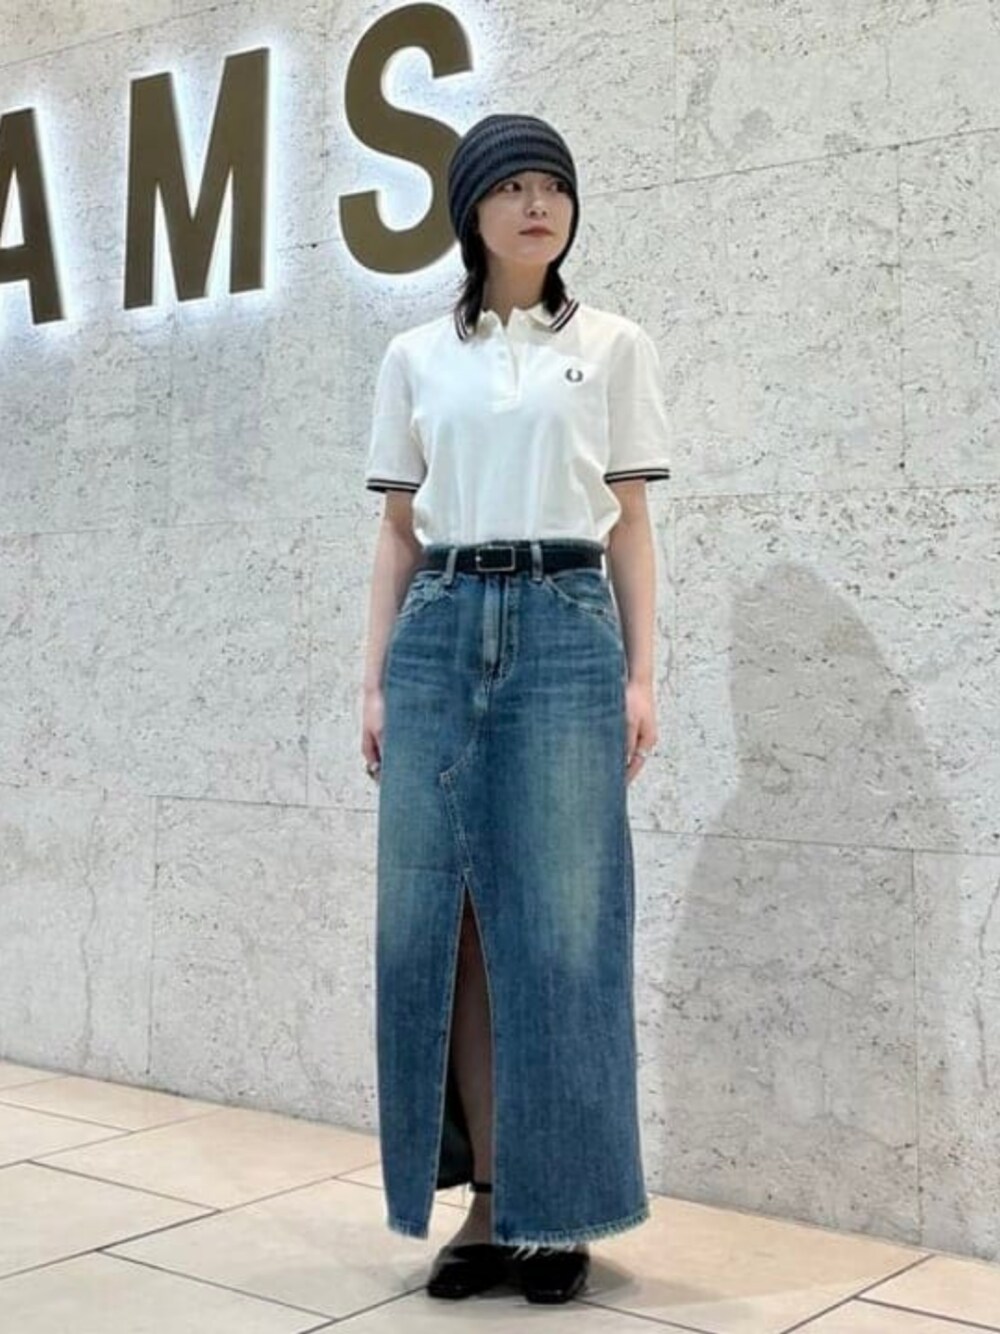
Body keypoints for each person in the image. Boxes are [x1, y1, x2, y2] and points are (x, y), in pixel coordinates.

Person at [360, 112, 670, 1305]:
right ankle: (490, 1202)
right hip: (439, 624)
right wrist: (374, 680)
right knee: (447, 928)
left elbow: (630, 525)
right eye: (512, 186)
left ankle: (562, 1209)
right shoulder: (414, 356)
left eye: (553, 186)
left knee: (564, 926)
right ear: (471, 212)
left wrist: (641, 676)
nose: (538, 205)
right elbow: (397, 533)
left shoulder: (612, 344)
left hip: (564, 619)